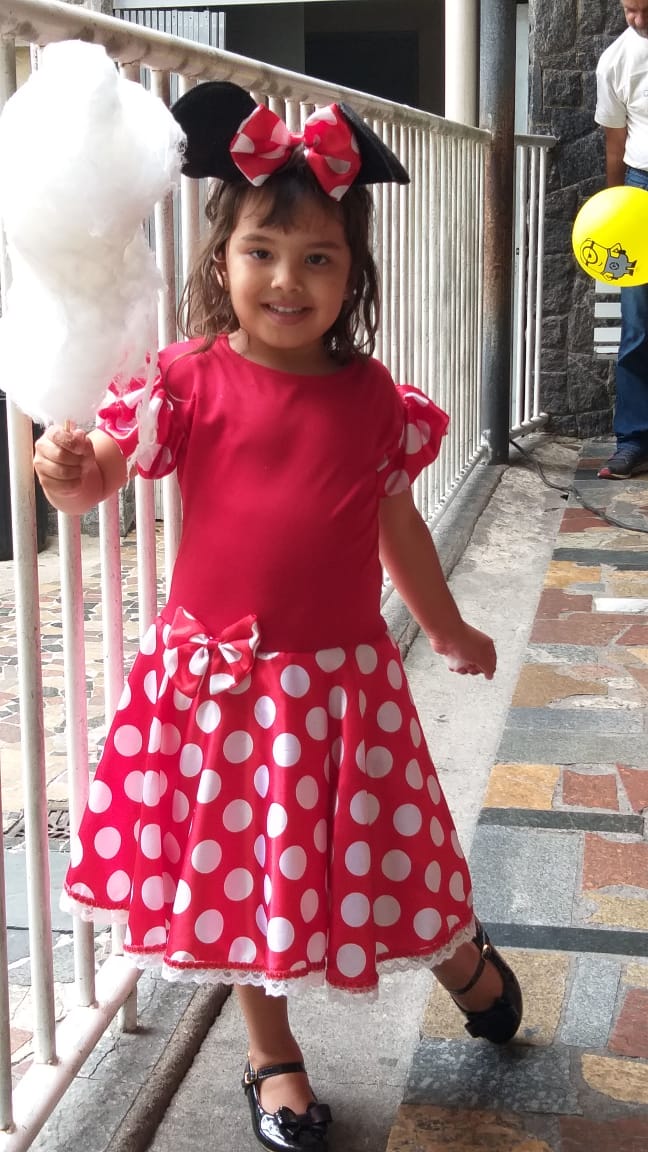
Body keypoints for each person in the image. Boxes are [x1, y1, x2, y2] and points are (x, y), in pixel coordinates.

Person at [33, 83, 522, 1152]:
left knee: (390, 851)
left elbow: (396, 527)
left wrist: (447, 628)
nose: (287, 280)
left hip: (342, 689)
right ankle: (272, 1055)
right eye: (262, 251)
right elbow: (100, 474)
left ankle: (463, 960)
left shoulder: (374, 400)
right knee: (243, 878)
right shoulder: (184, 380)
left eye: (318, 258)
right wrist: (66, 468)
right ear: (223, 263)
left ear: (353, 277)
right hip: (216, 690)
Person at [595, 0, 648, 479]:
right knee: (637, 326)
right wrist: (615, 214)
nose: (639, 20)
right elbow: (615, 144)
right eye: (631, 9)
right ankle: (632, 440)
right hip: (639, 189)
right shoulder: (616, 59)